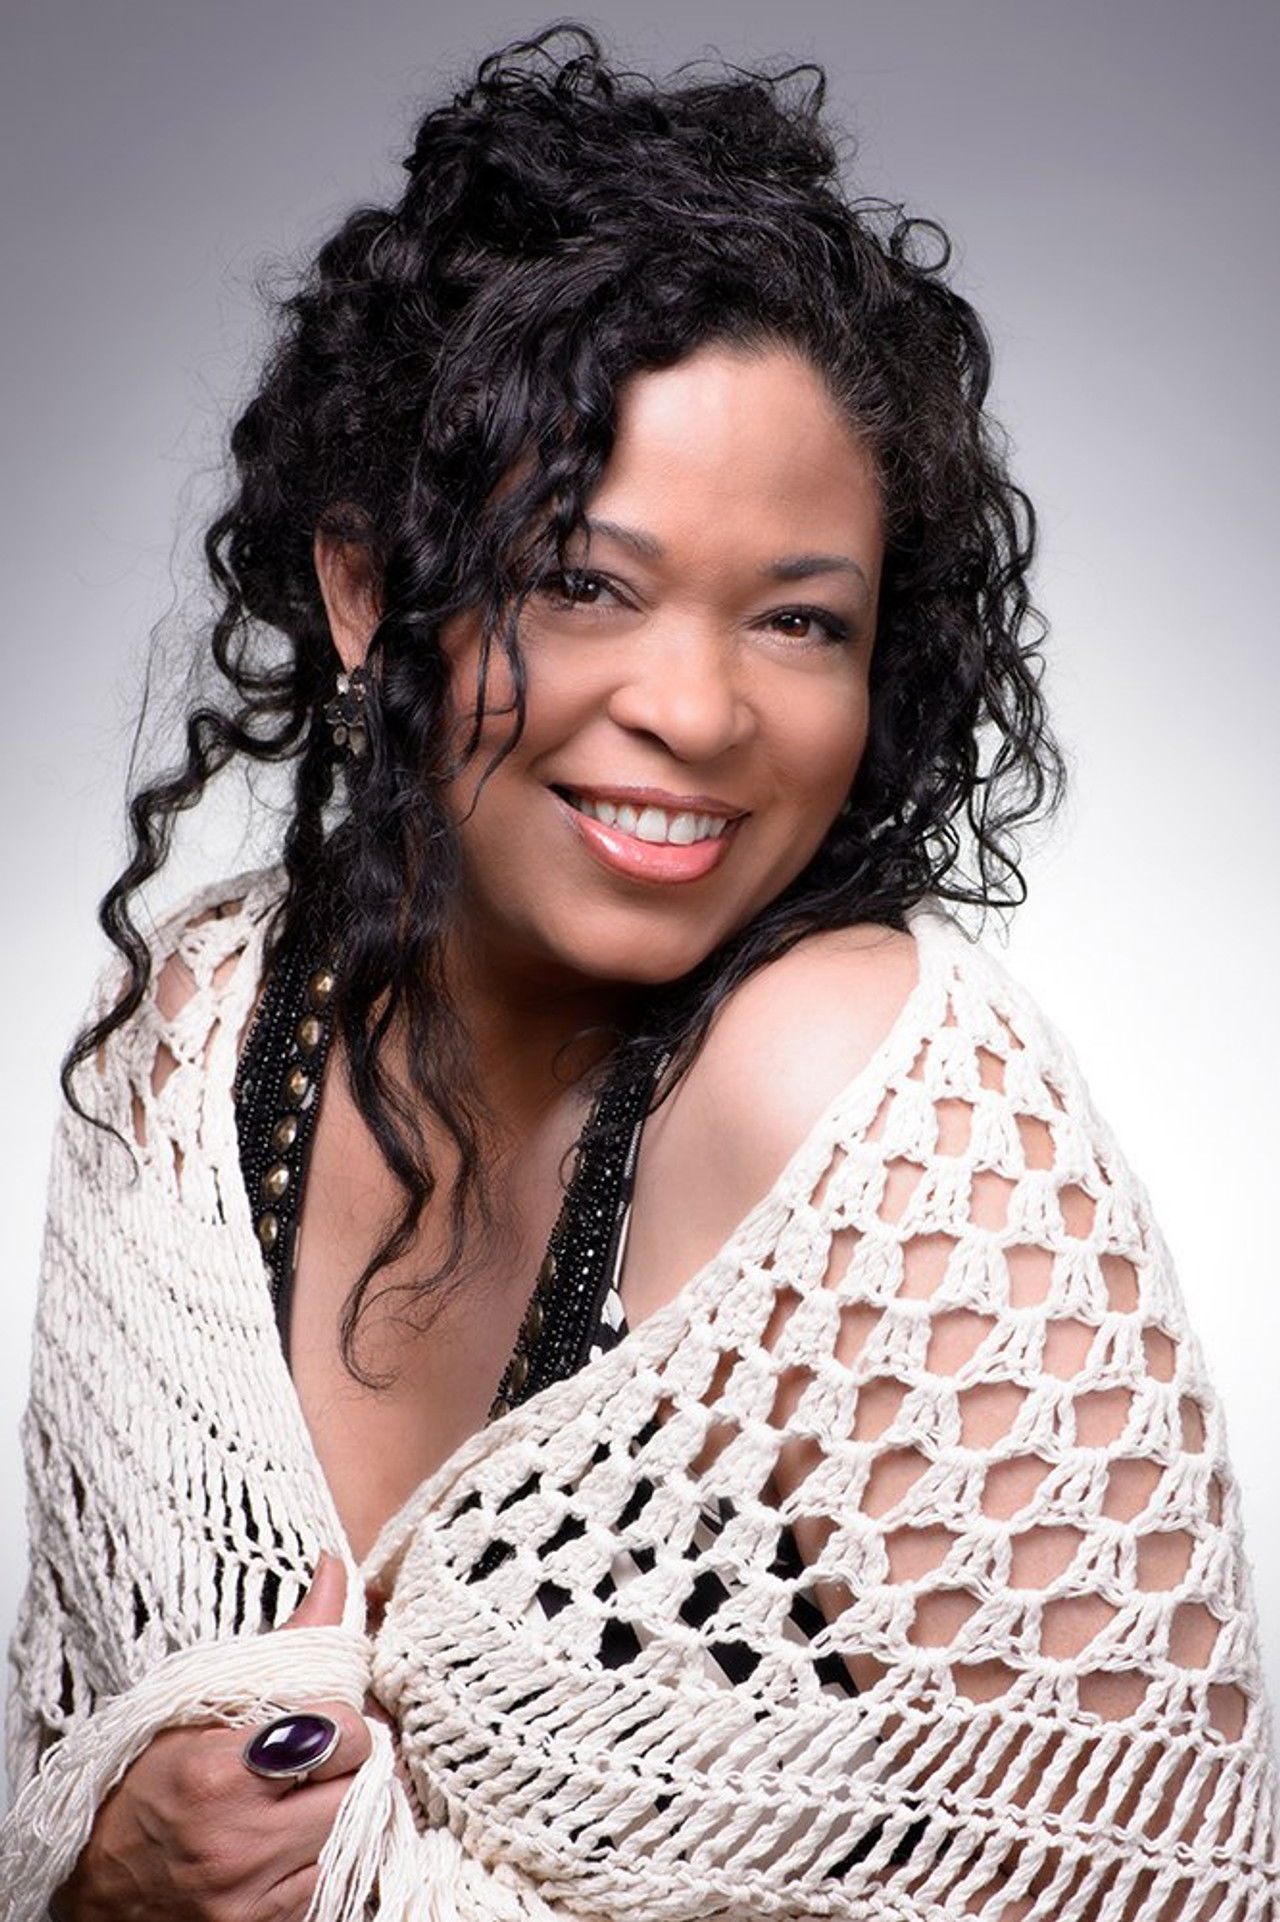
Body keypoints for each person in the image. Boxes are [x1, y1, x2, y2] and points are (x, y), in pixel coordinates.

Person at [4, 23, 1276, 1921]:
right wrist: (100, 1868)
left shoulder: (879, 1126)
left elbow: (1165, 1890)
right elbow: (68, 1775)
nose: (696, 708)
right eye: (583, 582)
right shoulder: (192, 1055)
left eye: (798, 619)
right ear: (369, 590)